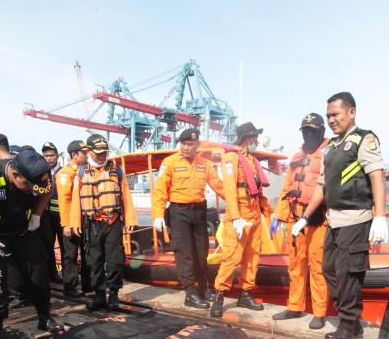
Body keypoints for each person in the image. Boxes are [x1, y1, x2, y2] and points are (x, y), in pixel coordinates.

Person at [294, 92, 388, 339]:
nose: (332, 120)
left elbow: (377, 175)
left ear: (352, 112)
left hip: (356, 219)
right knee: (329, 270)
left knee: (348, 274)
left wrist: (380, 216)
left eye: (336, 114)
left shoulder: (363, 140)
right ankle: (352, 321)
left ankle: (348, 326)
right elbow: (322, 185)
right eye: (328, 116)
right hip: (334, 220)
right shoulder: (332, 147)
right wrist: (304, 217)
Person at [0, 148, 60, 339]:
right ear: (15, 174)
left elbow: (47, 190)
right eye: (28, 185)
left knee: (39, 273)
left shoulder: (39, 178)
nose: (31, 190)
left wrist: (36, 215)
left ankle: (45, 317)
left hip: (23, 230)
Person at [153, 128, 223, 309]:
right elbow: (160, 189)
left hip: (199, 211)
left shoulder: (205, 164)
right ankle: (190, 293)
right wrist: (158, 215)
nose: (185, 147)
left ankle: (202, 289)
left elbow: (219, 186)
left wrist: (237, 203)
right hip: (179, 212)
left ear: (197, 145)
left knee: (201, 253)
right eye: (183, 143)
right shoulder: (169, 163)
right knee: (185, 253)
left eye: (189, 144)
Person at [209, 122, 273, 318]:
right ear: (248, 138)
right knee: (231, 258)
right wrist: (236, 218)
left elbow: (256, 189)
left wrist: (268, 212)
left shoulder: (251, 160)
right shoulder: (231, 158)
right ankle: (219, 296)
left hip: (253, 215)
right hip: (239, 218)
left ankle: (246, 293)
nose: (257, 141)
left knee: (252, 256)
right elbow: (229, 189)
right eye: (255, 137)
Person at [272, 113, 329, 329]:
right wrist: (279, 216)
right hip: (294, 219)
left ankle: (320, 312)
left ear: (321, 132)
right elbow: (287, 188)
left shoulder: (328, 154)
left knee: (317, 266)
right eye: (305, 130)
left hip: (317, 220)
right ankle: (295, 307)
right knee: (295, 265)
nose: (308, 134)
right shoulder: (297, 156)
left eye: (312, 130)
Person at [68, 134, 137, 311]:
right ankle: (99, 295)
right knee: (94, 261)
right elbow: (76, 199)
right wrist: (74, 222)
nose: (101, 156)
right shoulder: (81, 172)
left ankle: (113, 294)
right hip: (92, 223)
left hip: (112, 221)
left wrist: (130, 219)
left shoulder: (117, 170)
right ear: (89, 151)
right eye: (98, 153)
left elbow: (126, 196)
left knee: (114, 260)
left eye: (104, 153)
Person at [57, 140, 91, 297]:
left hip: (86, 218)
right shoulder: (66, 173)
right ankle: (70, 287)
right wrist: (66, 224)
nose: (86, 155)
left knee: (88, 252)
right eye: (84, 153)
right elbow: (64, 201)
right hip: (72, 220)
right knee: (70, 254)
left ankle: (88, 285)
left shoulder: (86, 171)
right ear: (74, 155)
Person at [39, 141, 65, 283]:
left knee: (66, 247)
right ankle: (52, 275)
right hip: (46, 216)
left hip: (61, 216)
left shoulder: (65, 172)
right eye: (46, 155)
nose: (49, 158)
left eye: (51, 155)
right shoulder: (40, 173)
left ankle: (67, 278)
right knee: (47, 246)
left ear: (58, 156)